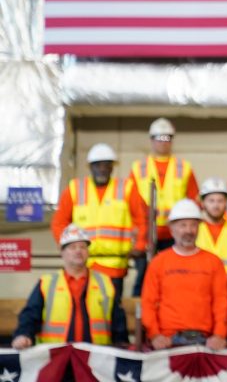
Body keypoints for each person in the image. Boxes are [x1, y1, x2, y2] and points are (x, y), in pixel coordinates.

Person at [51, 143, 147, 303]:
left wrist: (139, 246)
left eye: (106, 165)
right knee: (82, 311)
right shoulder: (75, 189)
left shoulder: (126, 188)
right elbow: (59, 223)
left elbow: (142, 220)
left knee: (112, 313)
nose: (102, 169)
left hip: (115, 266)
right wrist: (68, 247)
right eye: (98, 165)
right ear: (90, 167)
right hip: (82, 264)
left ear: (112, 167)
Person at [12, 224, 128, 349]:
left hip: (96, 359)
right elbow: (30, 315)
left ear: (88, 251)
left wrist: (122, 347)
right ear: (62, 252)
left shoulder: (105, 283)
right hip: (56, 358)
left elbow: (118, 322)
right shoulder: (46, 283)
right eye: (72, 247)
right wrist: (23, 335)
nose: (78, 250)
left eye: (82, 247)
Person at [141, 199, 227, 350]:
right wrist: (155, 335)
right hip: (168, 340)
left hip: (206, 340)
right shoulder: (158, 262)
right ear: (171, 228)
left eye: (193, 225)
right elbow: (148, 303)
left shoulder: (213, 262)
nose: (189, 230)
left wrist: (219, 335)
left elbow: (222, 303)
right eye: (183, 225)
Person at [130, 117, 199, 296]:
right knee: (144, 277)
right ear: (151, 140)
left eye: (167, 138)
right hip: (147, 234)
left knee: (174, 275)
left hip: (175, 234)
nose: (163, 142)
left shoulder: (184, 167)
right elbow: (133, 203)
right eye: (159, 138)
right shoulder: (139, 168)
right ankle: (141, 316)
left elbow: (193, 201)